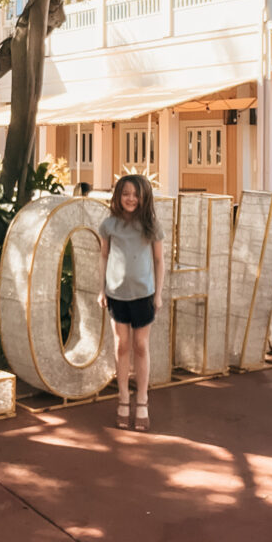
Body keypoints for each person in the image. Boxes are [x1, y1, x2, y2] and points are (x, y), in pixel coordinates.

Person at [97, 174, 164, 431]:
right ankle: (123, 398)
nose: (131, 199)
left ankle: (143, 400)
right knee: (122, 345)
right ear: (118, 196)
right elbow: (103, 256)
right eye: (126, 193)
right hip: (116, 294)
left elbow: (159, 261)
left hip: (144, 295)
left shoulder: (151, 226)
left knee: (140, 345)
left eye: (136, 194)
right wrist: (101, 289)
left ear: (144, 198)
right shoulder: (109, 225)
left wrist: (158, 293)